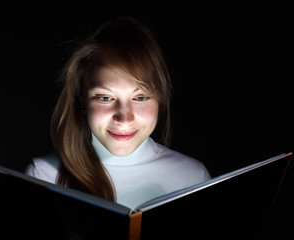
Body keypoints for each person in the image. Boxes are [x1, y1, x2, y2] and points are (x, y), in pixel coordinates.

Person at [26, 16, 210, 208]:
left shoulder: (193, 178)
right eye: (105, 98)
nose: (124, 118)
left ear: (160, 99)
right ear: (82, 98)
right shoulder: (43, 175)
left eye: (140, 98)